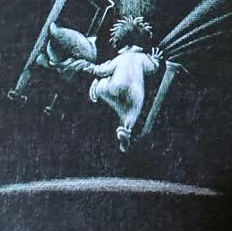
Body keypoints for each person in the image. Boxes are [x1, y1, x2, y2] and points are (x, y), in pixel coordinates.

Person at [68, 16, 162, 151]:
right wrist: (155, 60)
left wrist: (93, 68)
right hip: (134, 92)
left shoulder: (119, 58)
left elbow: (103, 70)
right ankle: (126, 130)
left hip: (114, 86)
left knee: (103, 86)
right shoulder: (142, 57)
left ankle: (97, 89)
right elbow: (152, 68)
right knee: (133, 111)